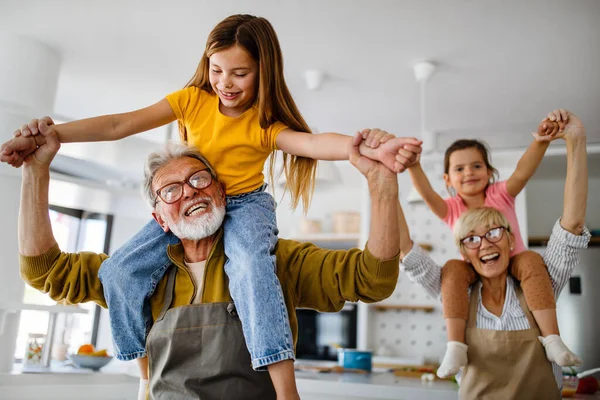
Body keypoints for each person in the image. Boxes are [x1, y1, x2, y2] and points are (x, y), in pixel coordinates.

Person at [0, 14, 420, 398]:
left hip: (247, 206)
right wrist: (49, 143)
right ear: (157, 215)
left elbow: (312, 147)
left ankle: (286, 390)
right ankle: (142, 373)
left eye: (240, 73)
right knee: (117, 271)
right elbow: (117, 125)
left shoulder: (262, 131)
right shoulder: (190, 102)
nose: (226, 83)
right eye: (217, 70)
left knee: (252, 269)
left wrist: (361, 153)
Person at [17, 121, 414, 400]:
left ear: (224, 194)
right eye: (170, 190)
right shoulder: (137, 275)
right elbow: (44, 271)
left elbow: (371, 278)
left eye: (198, 179)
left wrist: (381, 186)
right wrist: (36, 171)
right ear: (159, 219)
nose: (188, 192)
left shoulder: (275, 261)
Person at [397, 112, 589, 399]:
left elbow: (525, 173)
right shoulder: (458, 286)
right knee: (452, 270)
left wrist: (545, 141)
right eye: (472, 238)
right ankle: (455, 346)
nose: (485, 244)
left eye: (495, 233)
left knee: (531, 260)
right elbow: (408, 241)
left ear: (510, 237)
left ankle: (552, 338)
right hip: (466, 273)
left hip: (522, 265)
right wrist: (405, 170)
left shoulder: (502, 197)